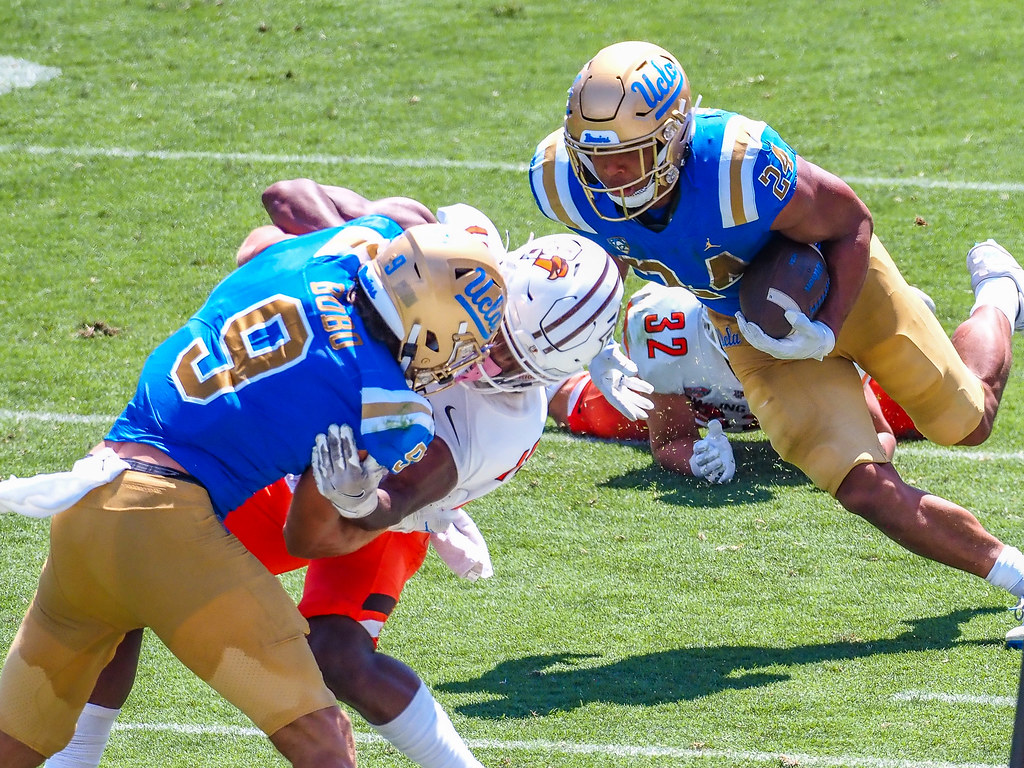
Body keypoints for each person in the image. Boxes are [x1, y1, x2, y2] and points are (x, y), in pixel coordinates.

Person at [44, 191, 625, 768]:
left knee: (337, 656)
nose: (476, 357)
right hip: (309, 463)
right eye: (489, 324)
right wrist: (348, 245)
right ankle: (76, 757)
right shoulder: (458, 247)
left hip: (377, 508)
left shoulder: (490, 429)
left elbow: (335, 530)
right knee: (133, 567)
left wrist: (355, 495)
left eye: (501, 359)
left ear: (549, 373)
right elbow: (284, 207)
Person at [529, 40, 1024, 642]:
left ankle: (999, 292)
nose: (611, 175)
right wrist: (596, 340)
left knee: (966, 424)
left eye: (632, 156)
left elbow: (852, 223)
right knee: (861, 483)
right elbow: (611, 252)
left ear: (674, 135)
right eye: (598, 156)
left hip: (843, 286)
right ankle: (1019, 576)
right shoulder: (561, 178)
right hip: (747, 329)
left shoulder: (740, 164)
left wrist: (829, 326)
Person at [547, 282, 932, 481]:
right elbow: (669, 441)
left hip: (806, 390)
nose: (752, 364)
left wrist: (855, 463)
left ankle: (993, 296)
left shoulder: (819, 335)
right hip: (694, 409)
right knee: (588, 408)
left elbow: (878, 432)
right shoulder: (670, 333)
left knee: (926, 410)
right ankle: (534, 366)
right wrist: (697, 462)